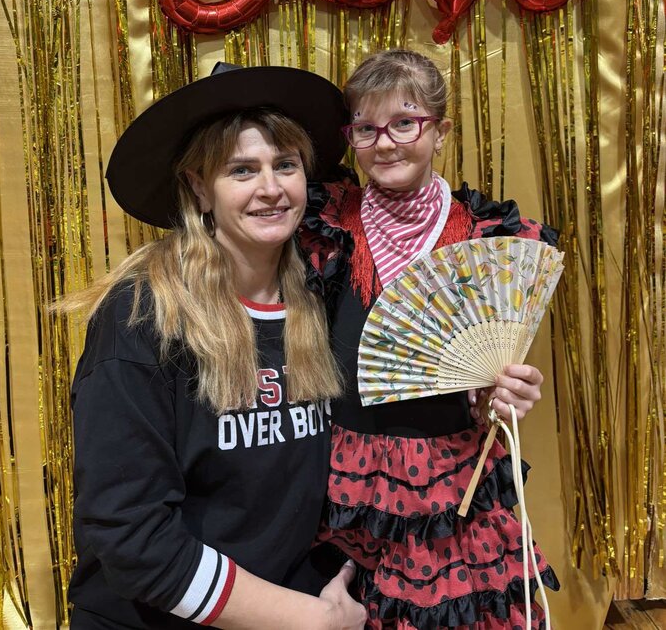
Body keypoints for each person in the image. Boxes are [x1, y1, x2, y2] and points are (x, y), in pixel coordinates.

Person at [65, 62, 367, 630]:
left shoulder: (323, 295)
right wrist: (311, 619)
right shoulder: (142, 314)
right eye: (241, 170)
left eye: (285, 165)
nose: (271, 188)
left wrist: (480, 398)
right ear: (200, 187)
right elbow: (131, 535)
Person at [302, 50, 560, 630]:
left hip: (451, 479)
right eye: (366, 128)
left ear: (440, 132)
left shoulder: (485, 235)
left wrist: (503, 395)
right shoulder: (328, 225)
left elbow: (486, 378)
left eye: (405, 123)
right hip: (342, 473)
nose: (385, 143)